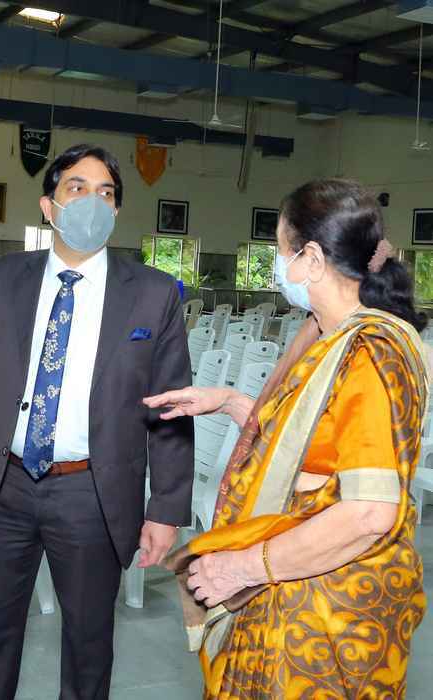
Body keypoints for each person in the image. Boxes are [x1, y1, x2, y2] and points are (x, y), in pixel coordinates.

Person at [146, 179, 428, 699]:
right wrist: (230, 402)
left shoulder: (369, 353)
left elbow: (369, 513)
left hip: (324, 611)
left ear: (312, 259)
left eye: (281, 250)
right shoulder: (330, 338)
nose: (278, 266)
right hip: (297, 584)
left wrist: (243, 568)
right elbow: (310, 441)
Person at [0, 143, 194, 700]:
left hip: (92, 492)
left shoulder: (153, 294)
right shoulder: (6, 278)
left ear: (116, 210)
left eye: (106, 192)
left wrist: (166, 509)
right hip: (3, 486)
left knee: (88, 646)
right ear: (48, 206)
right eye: (77, 188)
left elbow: (171, 408)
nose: (92, 201)